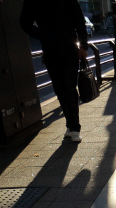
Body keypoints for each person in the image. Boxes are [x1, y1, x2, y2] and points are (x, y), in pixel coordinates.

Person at [20, 0, 89, 143]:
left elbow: (24, 22)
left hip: (50, 49)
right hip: (68, 47)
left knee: (61, 89)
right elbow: (79, 22)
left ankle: (73, 127)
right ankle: (73, 127)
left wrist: (42, 34)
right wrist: (83, 46)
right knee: (67, 88)